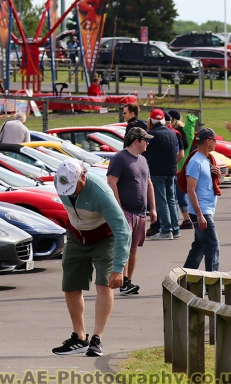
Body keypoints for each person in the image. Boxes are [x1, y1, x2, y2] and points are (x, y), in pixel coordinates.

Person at [52, 159, 131, 358]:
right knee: (71, 285)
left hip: (105, 238)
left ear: (83, 177)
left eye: (73, 186)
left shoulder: (101, 193)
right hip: (77, 236)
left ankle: (97, 337)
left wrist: (118, 269)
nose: (68, 192)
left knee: (105, 284)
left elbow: (123, 230)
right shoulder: (60, 184)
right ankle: (79, 337)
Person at [105, 127, 157, 296]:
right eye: (145, 140)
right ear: (136, 141)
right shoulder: (120, 158)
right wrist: (118, 207)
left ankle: (128, 281)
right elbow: (111, 182)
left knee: (133, 247)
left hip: (140, 212)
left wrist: (153, 209)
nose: (147, 143)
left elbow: (148, 184)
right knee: (124, 247)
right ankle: (123, 281)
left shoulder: (143, 160)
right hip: (125, 211)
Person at [183, 128, 223, 271]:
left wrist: (218, 176)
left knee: (199, 246)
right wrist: (200, 215)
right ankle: (213, 283)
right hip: (201, 212)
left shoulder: (206, 160)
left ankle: (185, 279)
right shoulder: (195, 162)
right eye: (214, 140)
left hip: (206, 211)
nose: (216, 143)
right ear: (207, 141)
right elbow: (190, 190)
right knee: (212, 246)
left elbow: (206, 185)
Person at [143, 108, 181, 240]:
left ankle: (166, 230)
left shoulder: (151, 134)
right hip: (171, 170)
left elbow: (144, 150)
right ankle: (175, 229)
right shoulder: (172, 133)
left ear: (151, 120)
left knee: (161, 200)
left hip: (157, 171)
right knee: (171, 199)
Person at [167, 109, 193, 230]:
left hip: (178, 167)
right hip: (183, 167)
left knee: (179, 194)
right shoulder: (183, 131)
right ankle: (188, 218)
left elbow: (181, 153)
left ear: (172, 120)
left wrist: (173, 164)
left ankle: (187, 219)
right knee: (181, 194)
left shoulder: (177, 133)